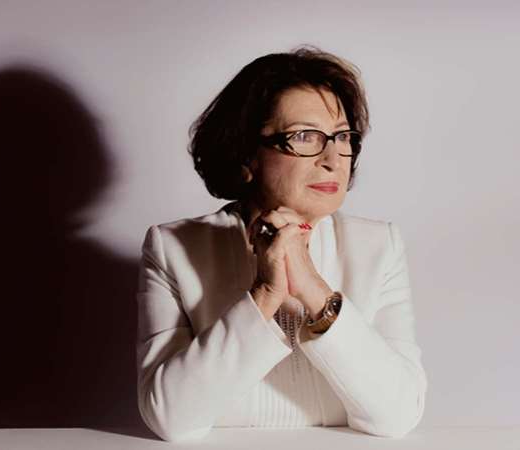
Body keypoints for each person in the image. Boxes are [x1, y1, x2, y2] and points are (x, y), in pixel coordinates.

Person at [135, 47, 427, 442]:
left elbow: (398, 415)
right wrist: (265, 295)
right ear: (247, 156)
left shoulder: (378, 245)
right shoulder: (173, 247)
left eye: (342, 136)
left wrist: (314, 291)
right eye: (304, 136)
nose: (333, 158)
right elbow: (171, 418)